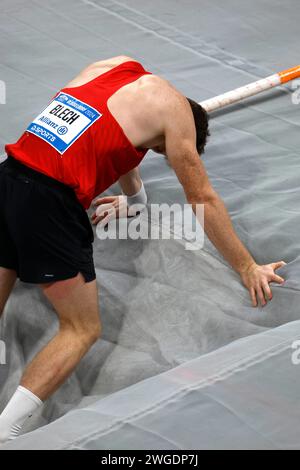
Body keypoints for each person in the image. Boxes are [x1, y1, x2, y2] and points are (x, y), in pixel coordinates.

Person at [0, 55, 285, 444]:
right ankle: (6, 433)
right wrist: (246, 266)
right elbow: (201, 196)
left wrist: (136, 201)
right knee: (82, 328)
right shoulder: (175, 115)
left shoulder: (119, 69)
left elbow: (112, 142)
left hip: (9, 178)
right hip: (48, 202)